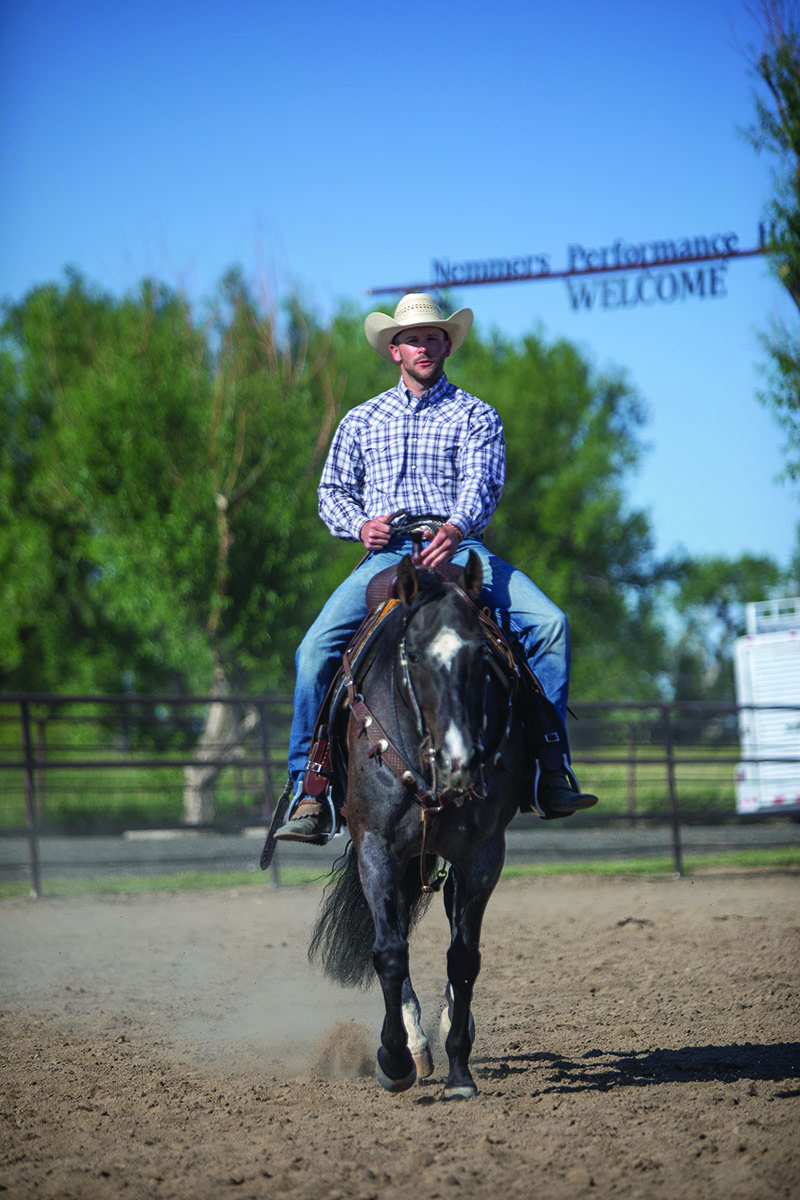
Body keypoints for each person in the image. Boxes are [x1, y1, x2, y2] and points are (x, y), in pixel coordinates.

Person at [274, 292, 597, 843]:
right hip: (386, 554)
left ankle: (549, 766)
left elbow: (483, 483)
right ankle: (312, 787)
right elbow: (331, 493)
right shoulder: (361, 420)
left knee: (549, 624)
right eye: (412, 339)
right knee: (312, 652)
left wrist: (455, 527)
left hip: (458, 547)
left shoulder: (476, 414)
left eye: (432, 337)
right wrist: (359, 526)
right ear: (394, 351)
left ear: (447, 345)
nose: (423, 346)